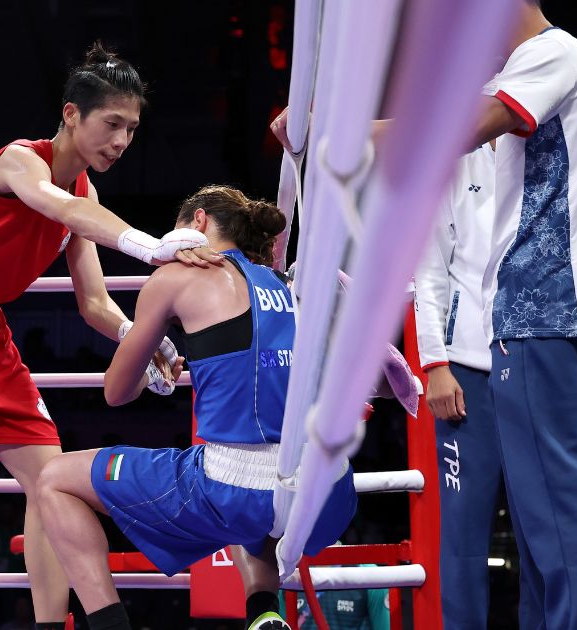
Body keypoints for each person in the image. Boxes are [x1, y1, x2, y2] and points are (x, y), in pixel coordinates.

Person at [0, 42, 221, 630]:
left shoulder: (86, 195)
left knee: (53, 482)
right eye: (111, 123)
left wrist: (146, 339)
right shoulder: (19, 162)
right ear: (71, 115)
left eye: (132, 129)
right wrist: (148, 245)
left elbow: (92, 303)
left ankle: (50, 624)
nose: (121, 140)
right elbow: (54, 204)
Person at [37, 185, 360, 630]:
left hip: (236, 491)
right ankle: (263, 613)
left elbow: (116, 392)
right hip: (331, 494)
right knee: (261, 514)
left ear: (199, 222)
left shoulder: (175, 278)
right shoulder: (288, 284)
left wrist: (152, 359)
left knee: (53, 479)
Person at [415, 139, 577, 628]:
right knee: (464, 533)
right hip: (467, 371)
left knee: (543, 528)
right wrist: (435, 364)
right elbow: (428, 272)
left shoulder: (555, 149)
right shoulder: (448, 160)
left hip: (540, 361)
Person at [467, 1, 577, 627]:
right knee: (540, 518)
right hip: (548, 313)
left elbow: (447, 132)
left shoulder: (550, 56)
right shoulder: (532, 64)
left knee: (556, 508)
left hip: (543, 309)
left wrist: (336, 130)